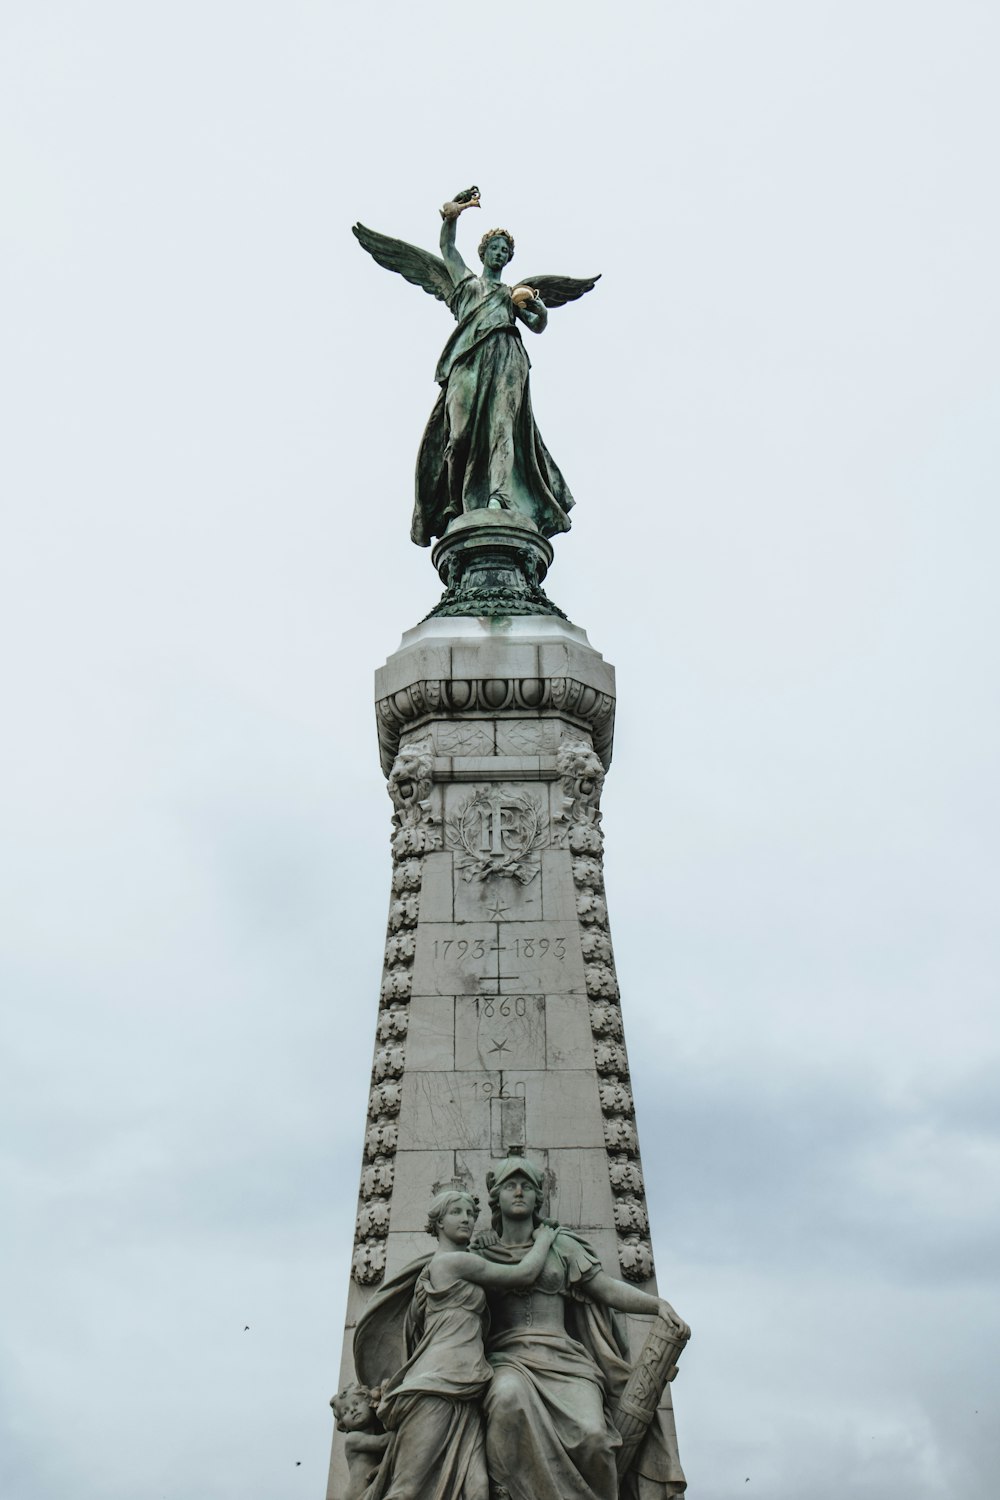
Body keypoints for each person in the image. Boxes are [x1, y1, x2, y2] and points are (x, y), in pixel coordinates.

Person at [473, 1158, 689, 1500]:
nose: (519, 1192)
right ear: (495, 1197)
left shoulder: (562, 1245)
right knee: (506, 1399)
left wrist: (656, 1305)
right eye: (510, 1186)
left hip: (565, 1360)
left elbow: (604, 1288)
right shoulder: (481, 1253)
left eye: (527, 1186)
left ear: (537, 1198)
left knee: (594, 1436)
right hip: (508, 1358)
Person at [353, 1189, 556, 1500]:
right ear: (438, 1223)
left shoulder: (454, 1264)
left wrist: (489, 1244)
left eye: (471, 1214)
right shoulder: (450, 1263)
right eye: (457, 1212)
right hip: (436, 1386)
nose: (467, 1219)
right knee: (406, 1490)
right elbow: (522, 1274)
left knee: (476, 1492)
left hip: (468, 1387)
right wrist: (544, 1239)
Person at [412, 211, 574, 545]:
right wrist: (451, 217)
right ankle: (454, 503)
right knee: (458, 437)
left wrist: (539, 309)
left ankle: (501, 497)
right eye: (495, 248)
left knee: (504, 428)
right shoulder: (467, 284)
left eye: (505, 250)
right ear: (483, 253)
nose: (500, 253)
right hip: (468, 361)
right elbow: (447, 246)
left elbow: (537, 325)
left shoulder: (514, 294)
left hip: (507, 355)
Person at [330, 1382, 390, 1500]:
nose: (353, 1410)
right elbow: (383, 1442)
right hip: (355, 1494)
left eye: (356, 1403)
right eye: (345, 1412)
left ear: (369, 1402)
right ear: (343, 1425)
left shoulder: (373, 1430)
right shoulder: (352, 1439)